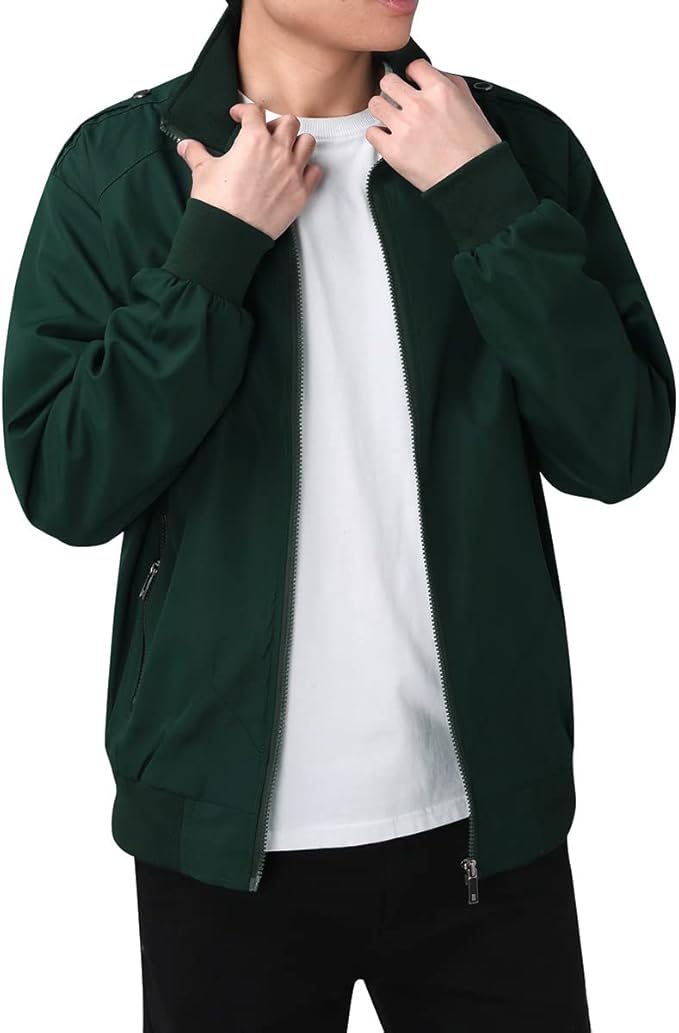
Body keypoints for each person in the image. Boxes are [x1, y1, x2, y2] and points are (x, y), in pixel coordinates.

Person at [3, 0, 674, 1029]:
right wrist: (214, 249)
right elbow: (66, 484)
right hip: (221, 838)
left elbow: (616, 449)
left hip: (484, 827)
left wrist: (486, 199)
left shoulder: (509, 148)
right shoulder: (125, 168)